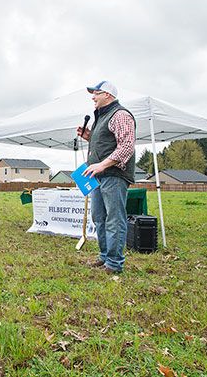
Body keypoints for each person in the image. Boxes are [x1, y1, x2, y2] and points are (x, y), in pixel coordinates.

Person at [78, 81, 136, 274]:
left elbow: (126, 147)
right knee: (99, 217)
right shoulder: (101, 117)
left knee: (114, 218)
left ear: (108, 95)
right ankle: (104, 257)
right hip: (98, 176)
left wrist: (102, 164)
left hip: (113, 175)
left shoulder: (120, 115)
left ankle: (114, 263)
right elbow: (108, 143)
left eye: (96, 93)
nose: (93, 97)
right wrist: (90, 137)